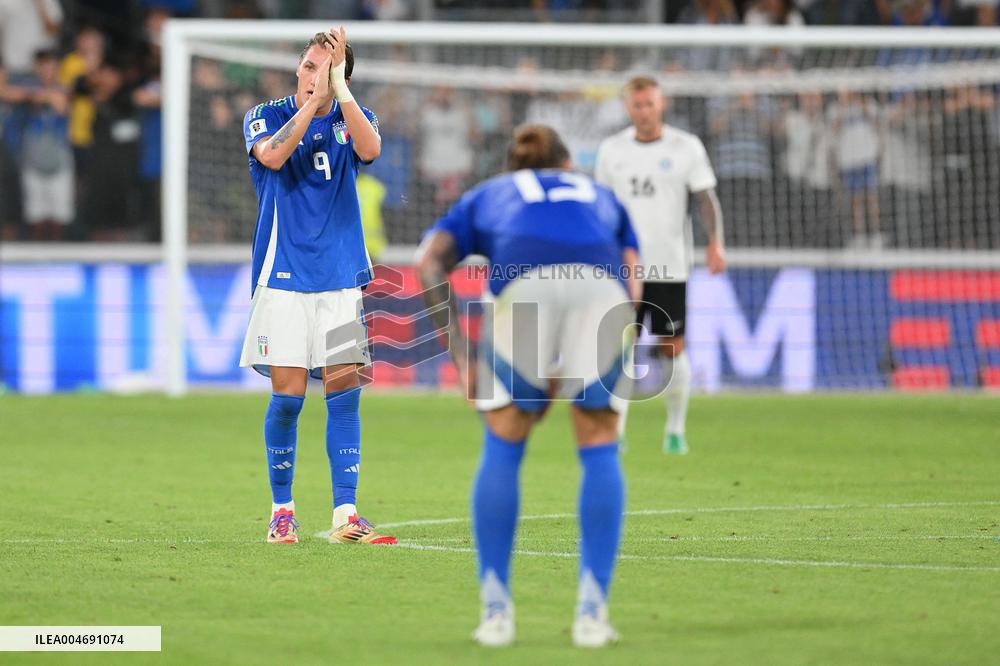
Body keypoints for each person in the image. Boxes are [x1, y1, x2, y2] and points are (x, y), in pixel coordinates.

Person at [418, 124, 640, 648]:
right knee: (599, 440)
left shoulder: (490, 193)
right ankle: (592, 613)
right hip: (602, 291)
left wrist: (464, 358)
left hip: (526, 289)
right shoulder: (600, 193)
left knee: (505, 437)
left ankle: (496, 611)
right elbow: (633, 275)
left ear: (513, 168)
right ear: (567, 164)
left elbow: (429, 262)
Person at [238, 27, 395, 546]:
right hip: (281, 278)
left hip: (339, 281)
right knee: (288, 398)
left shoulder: (356, 120)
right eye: (307, 65)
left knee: (344, 395)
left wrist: (339, 94)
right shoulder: (266, 115)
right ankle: (282, 510)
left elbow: (371, 149)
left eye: (322, 68)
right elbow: (272, 157)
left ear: (341, 76)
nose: (310, 75)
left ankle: (346, 513)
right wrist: (312, 103)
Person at [595, 76, 725, 455]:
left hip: (670, 265)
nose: (645, 111)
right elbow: (603, 207)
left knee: (672, 347)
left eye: (650, 104)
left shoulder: (686, 147)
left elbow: (705, 200)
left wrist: (716, 243)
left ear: (661, 104)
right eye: (637, 105)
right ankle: (616, 433)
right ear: (628, 107)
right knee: (621, 348)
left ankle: (675, 430)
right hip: (626, 267)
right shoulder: (611, 150)